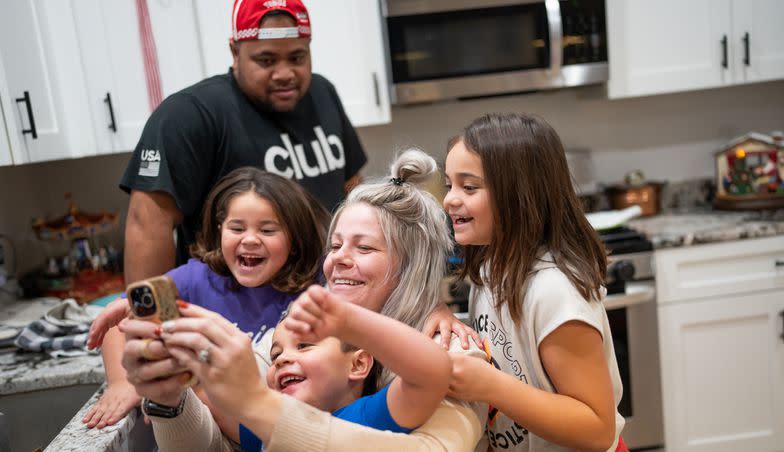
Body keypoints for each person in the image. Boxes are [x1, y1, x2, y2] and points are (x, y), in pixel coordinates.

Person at [88, 0, 368, 427]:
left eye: (298, 57)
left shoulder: (324, 95)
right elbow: (149, 227)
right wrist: (135, 372)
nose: (285, 73)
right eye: (265, 60)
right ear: (234, 51)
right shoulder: (190, 116)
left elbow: (355, 190)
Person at [118, 149, 489, 451]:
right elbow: (218, 438)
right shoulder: (297, 331)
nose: (338, 259)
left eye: (363, 247)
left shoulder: (453, 349)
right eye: (335, 245)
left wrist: (257, 405)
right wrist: (171, 399)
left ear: (411, 265)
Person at [84, 166, 329, 429]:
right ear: (220, 229)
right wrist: (122, 383)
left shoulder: (312, 286)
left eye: (267, 230)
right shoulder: (198, 280)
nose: (250, 239)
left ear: (294, 239)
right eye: (237, 228)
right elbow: (119, 319)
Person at [439, 112, 625, 451]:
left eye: (469, 187)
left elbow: (597, 428)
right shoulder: (492, 268)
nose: (449, 199)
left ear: (518, 195)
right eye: (449, 184)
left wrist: (490, 386)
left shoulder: (554, 293)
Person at [235, 282, 452, 452]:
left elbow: (432, 376)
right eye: (275, 355)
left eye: (304, 346)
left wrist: (349, 321)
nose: (281, 359)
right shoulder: (267, 420)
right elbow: (215, 402)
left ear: (358, 364)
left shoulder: (364, 418)